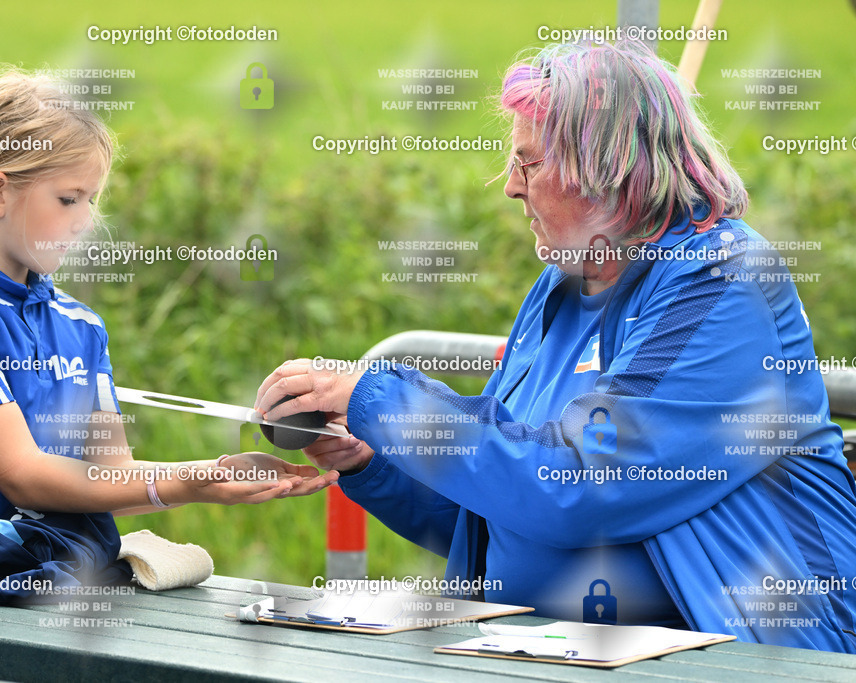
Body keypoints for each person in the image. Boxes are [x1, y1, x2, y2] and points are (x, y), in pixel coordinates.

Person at [254, 40, 856, 652]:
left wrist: (384, 401)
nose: (510, 188)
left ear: (610, 171)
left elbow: (582, 485)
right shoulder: (565, 281)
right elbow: (493, 511)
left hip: (750, 655)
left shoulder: (720, 279)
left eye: (530, 163)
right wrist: (371, 459)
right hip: (565, 651)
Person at [0, 70, 337, 580]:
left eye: (91, 199)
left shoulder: (79, 323)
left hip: (39, 579)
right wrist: (184, 482)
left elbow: (111, 473)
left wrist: (212, 475)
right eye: (69, 199)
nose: (86, 219)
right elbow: (26, 476)